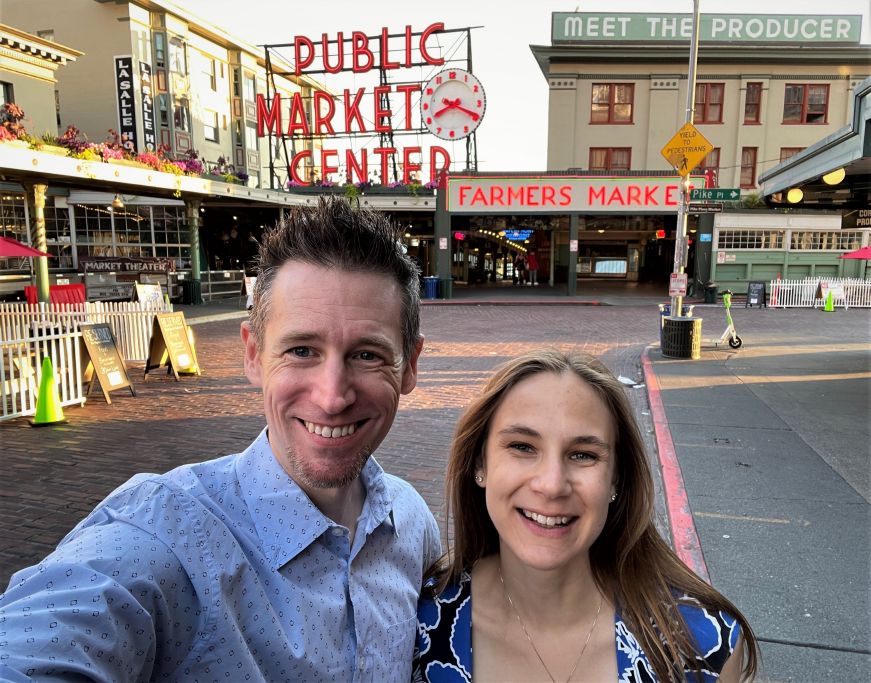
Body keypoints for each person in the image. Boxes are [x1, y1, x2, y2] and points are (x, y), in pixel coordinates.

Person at [0, 197, 441, 682]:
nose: (332, 396)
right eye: (301, 350)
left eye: (367, 355)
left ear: (411, 365)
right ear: (253, 355)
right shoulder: (165, 535)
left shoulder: (410, 522)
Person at [413, 349, 758, 682]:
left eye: (583, 455)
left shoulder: (702, 644)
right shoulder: (416, 623)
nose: (551, 485)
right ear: (480, 465)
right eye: (522, 446)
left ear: (616, 480)